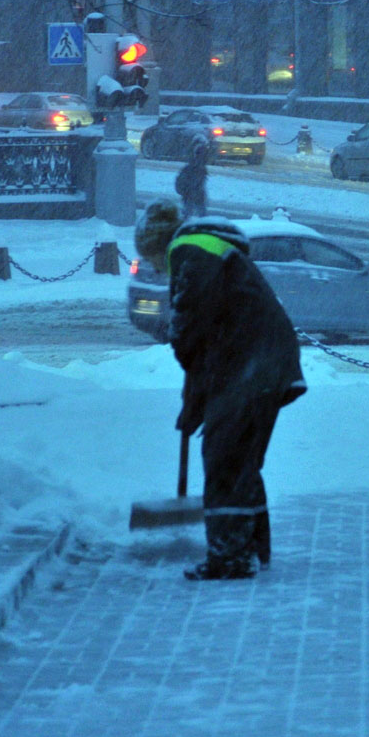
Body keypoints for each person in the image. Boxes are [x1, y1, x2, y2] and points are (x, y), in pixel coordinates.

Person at [134, 200, 307, 580]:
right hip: (257, 362)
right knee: (239, 457)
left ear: (157, 245)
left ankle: (230, 558)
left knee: (225, 457)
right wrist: (195, 402)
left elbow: (190, 322)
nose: (156, 269)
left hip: (252, 365)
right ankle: (251, 547)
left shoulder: (187, 250)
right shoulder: (206, 247)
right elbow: (207, 335)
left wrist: (183, 348)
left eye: (150, 259)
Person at [175, 135, 209, 219]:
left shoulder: (190, 162)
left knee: (188, 212)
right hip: (195, 191)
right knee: (200, 212)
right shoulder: (199, 153)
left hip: (189, 192)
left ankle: (185, 223)